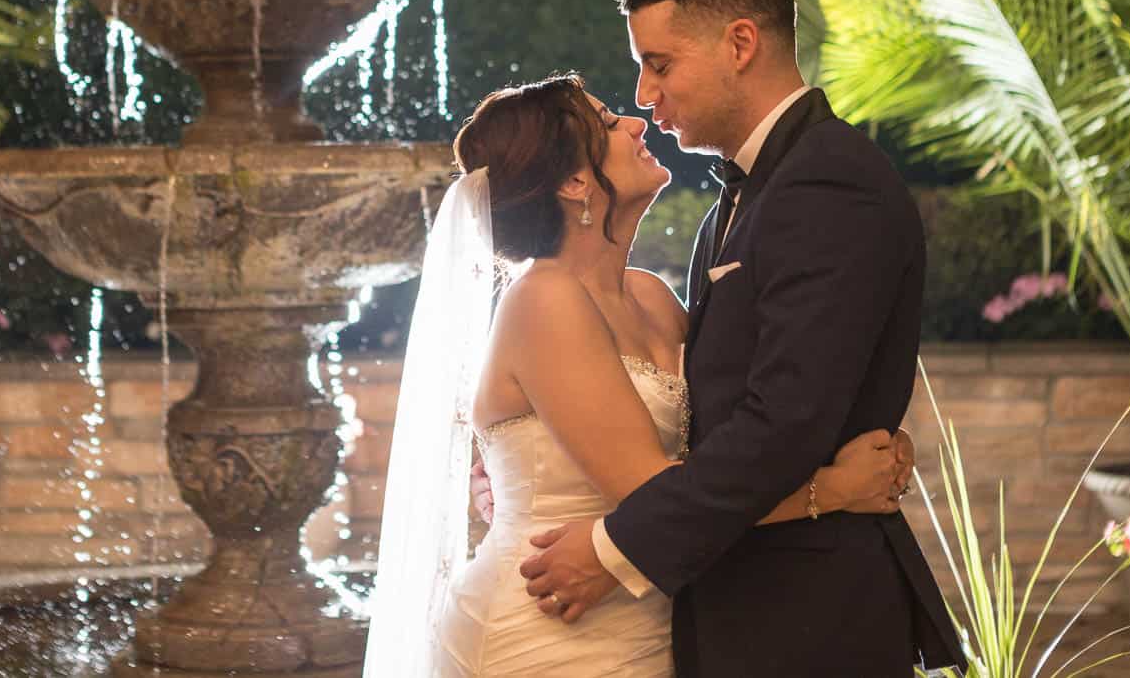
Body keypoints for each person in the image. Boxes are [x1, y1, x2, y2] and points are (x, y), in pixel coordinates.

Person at [515, 0, 963, 675]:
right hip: (739, 607)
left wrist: (611, 546)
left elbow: (785, 418)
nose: (643, 94)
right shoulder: (746, 195)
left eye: (660, 64)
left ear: (741, 43)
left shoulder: (827, 181)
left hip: (807, 618)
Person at [361, 71, 914, 678]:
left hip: (649, 617)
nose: (636, 121)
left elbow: (736, 424)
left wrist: (859, 422)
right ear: (575, 182)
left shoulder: (651, 295)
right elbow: (654, 490)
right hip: (550, 621)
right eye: (606, 122)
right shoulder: (543, 298)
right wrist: (831, 491)